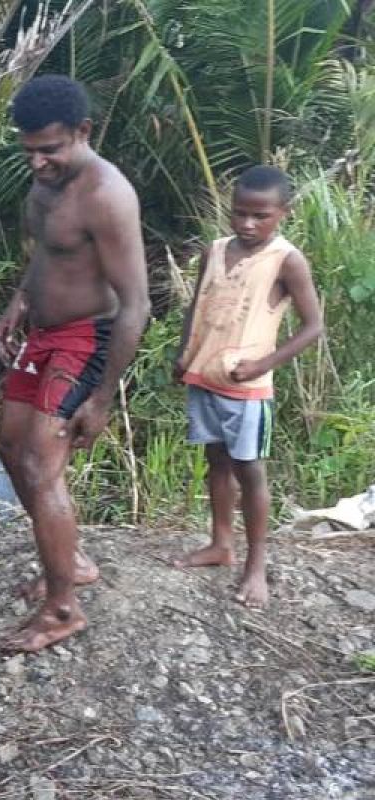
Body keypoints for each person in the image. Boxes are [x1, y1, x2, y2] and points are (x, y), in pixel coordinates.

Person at [0, 76, 150, 652]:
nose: (37, 162)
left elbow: (136, 304)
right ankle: (72, 559)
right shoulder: (45, 185)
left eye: (51, 149)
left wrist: (103, 397)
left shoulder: (107, 194)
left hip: (87, 337)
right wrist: (20, 301)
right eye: (28, 149)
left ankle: (62, 610)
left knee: (40, 462)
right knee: (9, 446)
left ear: (84, 132)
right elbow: (44, 253)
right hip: (43, 331)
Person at [173, 166, 323, 608]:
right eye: (239, 213)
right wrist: (183, 353)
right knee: (215, 459)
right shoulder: (215, 250)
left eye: (261, 216)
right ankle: (220, 544)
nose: (247, 224)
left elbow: (313, 326)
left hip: (248, 387)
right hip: (204, 376)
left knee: (250, 470)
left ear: (283, 213)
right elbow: (196, 306)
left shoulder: (285, 259)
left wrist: (262, 364)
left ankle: (255, 567)